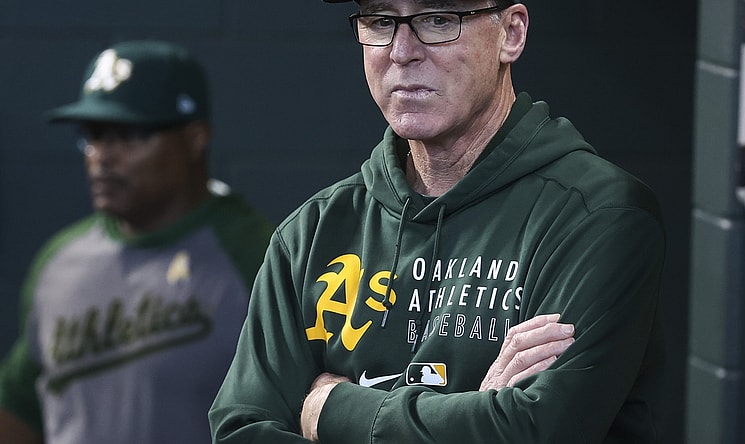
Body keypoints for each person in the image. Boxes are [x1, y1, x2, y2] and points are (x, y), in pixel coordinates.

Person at [209, 0, 666, 442]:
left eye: (439, 19)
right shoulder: (311, 233)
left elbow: (533, 431)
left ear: (511, 33)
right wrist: (474, 418)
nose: (401, 50)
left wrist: (331, 410)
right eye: (380, 20)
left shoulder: (598, 216)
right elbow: (242, 430)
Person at [0, 40, 275, 444]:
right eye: (92, 135)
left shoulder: (259, 256)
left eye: (128, 135)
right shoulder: (59, 261)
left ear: (195, 138)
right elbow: (21, 406)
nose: (101, 156)